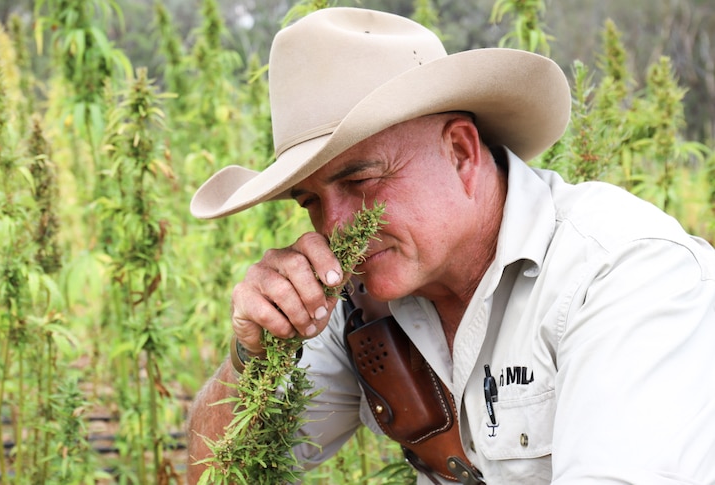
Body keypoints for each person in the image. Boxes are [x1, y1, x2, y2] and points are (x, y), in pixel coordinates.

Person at [187, 7, 715, 484]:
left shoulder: (622, 271)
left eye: (362, 180)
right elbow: (218, 472)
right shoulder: (353, 303)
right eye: (311, 201)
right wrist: (253, 357)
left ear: (461, 151)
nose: (338, 228)